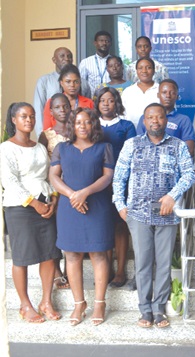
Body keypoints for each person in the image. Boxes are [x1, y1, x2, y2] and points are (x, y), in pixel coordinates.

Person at [113, 103, 195, 329]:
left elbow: (189, 174)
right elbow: (119, 177)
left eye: (159, 117)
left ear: (165, 120)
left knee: (163, 263)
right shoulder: (132, 145)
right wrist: (120, 204)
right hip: (137, 213)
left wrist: (172, 196)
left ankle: (159, 309)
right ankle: (145, 310)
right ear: (144, 120)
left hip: (167, 214)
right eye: (150, 117)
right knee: (143, 262)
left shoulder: (177, 146)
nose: (155, 121)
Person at [49, 107, 115, 326]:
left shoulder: (104, 147)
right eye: (78, 122)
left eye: (87, 122)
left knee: (98, 254)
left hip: (97, 205)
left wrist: (85, 192)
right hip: (70, 208)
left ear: (93, 124)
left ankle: (99, 302)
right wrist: (72, 195)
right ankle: (79, 303)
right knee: (72, 255)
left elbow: (108, 177)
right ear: (72, 125)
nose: (83, 126)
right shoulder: (62, 148)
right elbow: (54, 177)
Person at [1, 102, 62, 323]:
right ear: (14, 120)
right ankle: (24, 305)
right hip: (20, 208)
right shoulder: (6, 148)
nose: (29, 120)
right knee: (22, 257)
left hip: (45, 204)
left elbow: (50, 176)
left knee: (49, 254)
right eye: (23, 116)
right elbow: (9, 181)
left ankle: (46, 301)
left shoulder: (38, 147)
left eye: (32, 116)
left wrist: (53, 199)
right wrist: (34, 204)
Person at [95, 87, 137, 288]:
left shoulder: (127, 126)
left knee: (120, 226)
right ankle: (106, 269)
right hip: (98, 182)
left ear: (117, 103)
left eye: (110, 100)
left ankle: (120, 271)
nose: (106, 104)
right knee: (103, 226)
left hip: (122, 181)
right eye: (102, 100)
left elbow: (132, 154)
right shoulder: (91, 125)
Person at [39, 93, 71, 290]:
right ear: (51, 111)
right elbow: (42, 166)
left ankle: (70, 271)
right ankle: (58, 271)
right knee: (54, 230)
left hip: (75, 187)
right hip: (53, 188)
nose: (62, 110)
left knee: (70, 231)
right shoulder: (46, 135)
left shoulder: (78, 130)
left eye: (65, 106)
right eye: (57, 107)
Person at [33, 47, 91, 136]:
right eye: (62, 56)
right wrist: (42, 137)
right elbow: (39, 110)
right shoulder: (45, 81)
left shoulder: (85, 86)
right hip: (55, 139)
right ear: (62, 83)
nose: (72, 85)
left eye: (69, 56)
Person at [136, 79, 195, 156]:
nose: (168, 96)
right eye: (164, 92)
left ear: (177, 97)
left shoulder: (184, 120)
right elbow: (139, 145)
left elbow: (189, 150)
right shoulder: (145, 118)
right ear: (158, 95)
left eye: (172, 93)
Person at [42, 64, 94, 130]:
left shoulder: (89, 103)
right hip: (57, 139)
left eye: (76, 81)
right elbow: (47, 131)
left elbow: (93, 128)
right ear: (61, 83)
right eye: (68, 82)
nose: (72, 85)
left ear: (80, 82)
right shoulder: (51, 102)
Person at [121, 57, 159, 128]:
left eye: (148, 67)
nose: (144, 71)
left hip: (156, 133)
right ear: (136, 71)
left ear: (154, 70)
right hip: (131, 133)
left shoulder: (161, 90)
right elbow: (122, 115)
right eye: (140, 68)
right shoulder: (128, 91)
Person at [79, 30, 113, 97]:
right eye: (101, 41)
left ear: (110, 44)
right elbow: (81, 84)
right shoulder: (85, 62)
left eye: (107, 41)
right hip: (92, 101)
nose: (104, 43)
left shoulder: (116, 63)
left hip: (111, 100)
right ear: (95, 43)